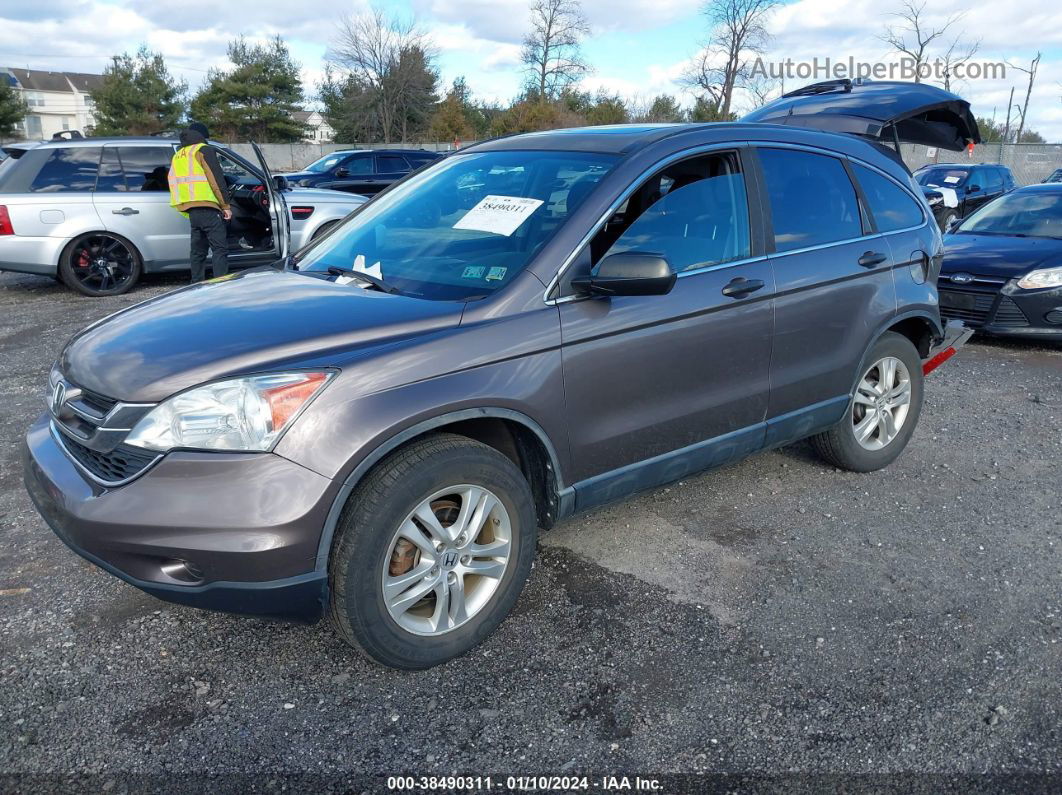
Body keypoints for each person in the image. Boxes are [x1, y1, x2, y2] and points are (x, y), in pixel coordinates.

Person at [168, 122, 232, 282]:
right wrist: (225, 206)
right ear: (202, 136)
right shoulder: (203, 150)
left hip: (191, 210)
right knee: (220, 249)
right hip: (208, 207)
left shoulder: (179, 154)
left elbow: (173, 180)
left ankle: (195, 284)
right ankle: (221, 285)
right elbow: (216, 179)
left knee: (198, 252)